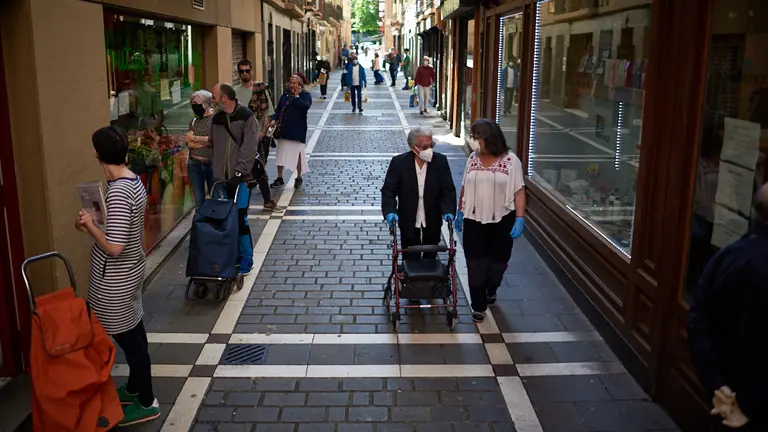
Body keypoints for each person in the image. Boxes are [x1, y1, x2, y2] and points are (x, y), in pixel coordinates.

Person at [76, 126, 159, 426]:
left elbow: (114, 246)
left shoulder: (121, 191)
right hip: (126, 273)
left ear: (97, 154)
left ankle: (148, 401)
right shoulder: (130, 180)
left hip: (117, 279)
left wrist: (90, 226)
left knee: (130, 341)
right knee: (134, 332)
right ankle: (136, 387)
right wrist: (93, 221)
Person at [687, 183, 768, 431]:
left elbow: (698, 322)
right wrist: (747, 406)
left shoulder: (727, 257)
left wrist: (717, 386)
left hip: (723, 400)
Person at [454, 119, 526, 323]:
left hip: (502, 220)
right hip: (473, 220)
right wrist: (460, 210)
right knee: (475, 264)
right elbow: (465, 186)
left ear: (489, 138)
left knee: (497, 264)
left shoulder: (511, 161)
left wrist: (519, 218)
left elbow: (519, 191)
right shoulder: (472, 158)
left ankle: (492, 288)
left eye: (477, 137)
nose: (474, 141)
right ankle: (478, 305)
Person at [381, 127, 456, 261]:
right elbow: (389, 190)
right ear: (412, 147)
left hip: (432, 216)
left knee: (431, 253)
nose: (429, 150)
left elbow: (448, 190)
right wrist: (390, 211)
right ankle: (410, 280)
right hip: (408, 217)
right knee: (409, 254)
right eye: (424, 147)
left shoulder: (440, 161)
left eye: (431, 145)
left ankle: (430, 280)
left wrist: (448, 210)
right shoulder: (399, 163)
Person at [210, 83, 259, 275]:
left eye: (214, 96)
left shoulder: (247, 117)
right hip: (221, 180)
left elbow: (249, 148)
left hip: (241, 180)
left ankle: (247, 259)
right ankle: (234, 256)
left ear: (224, 98)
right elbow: (213, 143)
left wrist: (239, 173)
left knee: (240, 219)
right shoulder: (217, 119)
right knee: (223, 220)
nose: (212, 100)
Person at [270, 74, 312, 188]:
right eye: (291, 83)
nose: (292, 85)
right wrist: (274, 119)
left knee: (298, 155)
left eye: (295, 83)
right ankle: (279, 177)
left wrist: (297, 97)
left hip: (297, 131)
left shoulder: (305, 96)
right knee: (280, 154)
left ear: (300, 85)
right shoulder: (285, 95)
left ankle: (298, 177)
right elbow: (278, 109)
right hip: (284, 129)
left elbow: (305, 107)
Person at [246, 82, 283, 212]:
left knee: (260, 168)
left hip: (259, 138)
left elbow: (267, 114)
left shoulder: (261, 91)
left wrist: (261, 134)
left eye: (247, 70)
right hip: (243, 138)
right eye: (241, 71)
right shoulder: (237, 91)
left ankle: (267, 200)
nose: (244, 73)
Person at [186, 90, 215, 209]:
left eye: (196, 103)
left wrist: (195, 138)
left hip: (211, 164)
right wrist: (206, 142)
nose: (194, 106)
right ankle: (199, 225)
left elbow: (215, 141)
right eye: (192, 103)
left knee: (215, 197)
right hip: (194, 164)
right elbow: (189, 144)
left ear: (205, 104)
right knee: (199, 200)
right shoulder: (194, 121)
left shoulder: (215, 120)